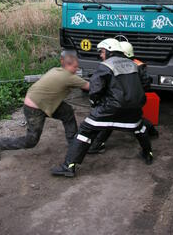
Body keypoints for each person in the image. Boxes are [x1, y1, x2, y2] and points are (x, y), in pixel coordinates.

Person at [51, 38, 153, 178]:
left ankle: (68, 166)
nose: (100, 55)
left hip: (111, 108)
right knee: (139, 127)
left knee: (85, 130)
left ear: (110, 51)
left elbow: (95, 89)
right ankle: (148, 154)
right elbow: (143, 84)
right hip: (134, 108)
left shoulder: (106, 66)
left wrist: (95, 103)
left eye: (102, 52)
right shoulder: (133, 64)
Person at [0, 50, 89, 161]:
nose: (76, 70)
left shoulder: (55, 69)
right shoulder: (69, 77)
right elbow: (90, 86)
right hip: (34, 108)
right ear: (67, 65)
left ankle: (73, 144)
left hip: (41, 102)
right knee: (31, 141)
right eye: (75, 67)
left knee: (67, 112)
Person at [88, 41, 158, 154]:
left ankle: (97, 144)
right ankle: (151, 138)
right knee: (136, 120)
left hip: (122, 100)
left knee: (112, 119)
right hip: (132, 99)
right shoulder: (136, 64)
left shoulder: (127, 65)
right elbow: (145, 83)